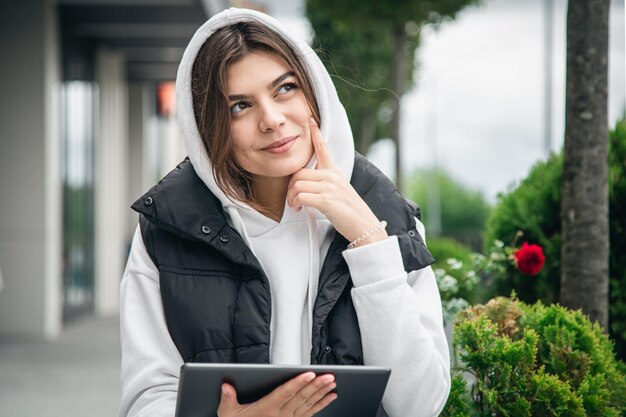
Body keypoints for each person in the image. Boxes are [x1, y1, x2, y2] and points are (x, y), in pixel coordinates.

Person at [119, 7, 450, 417]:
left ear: (314, 90)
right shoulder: (168, 230)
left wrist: (369, 242)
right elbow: (145, 399)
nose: (272, 120)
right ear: (208, 126)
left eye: (285, 88)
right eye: (239, 106)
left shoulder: (389, 215)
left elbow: (419, 406)